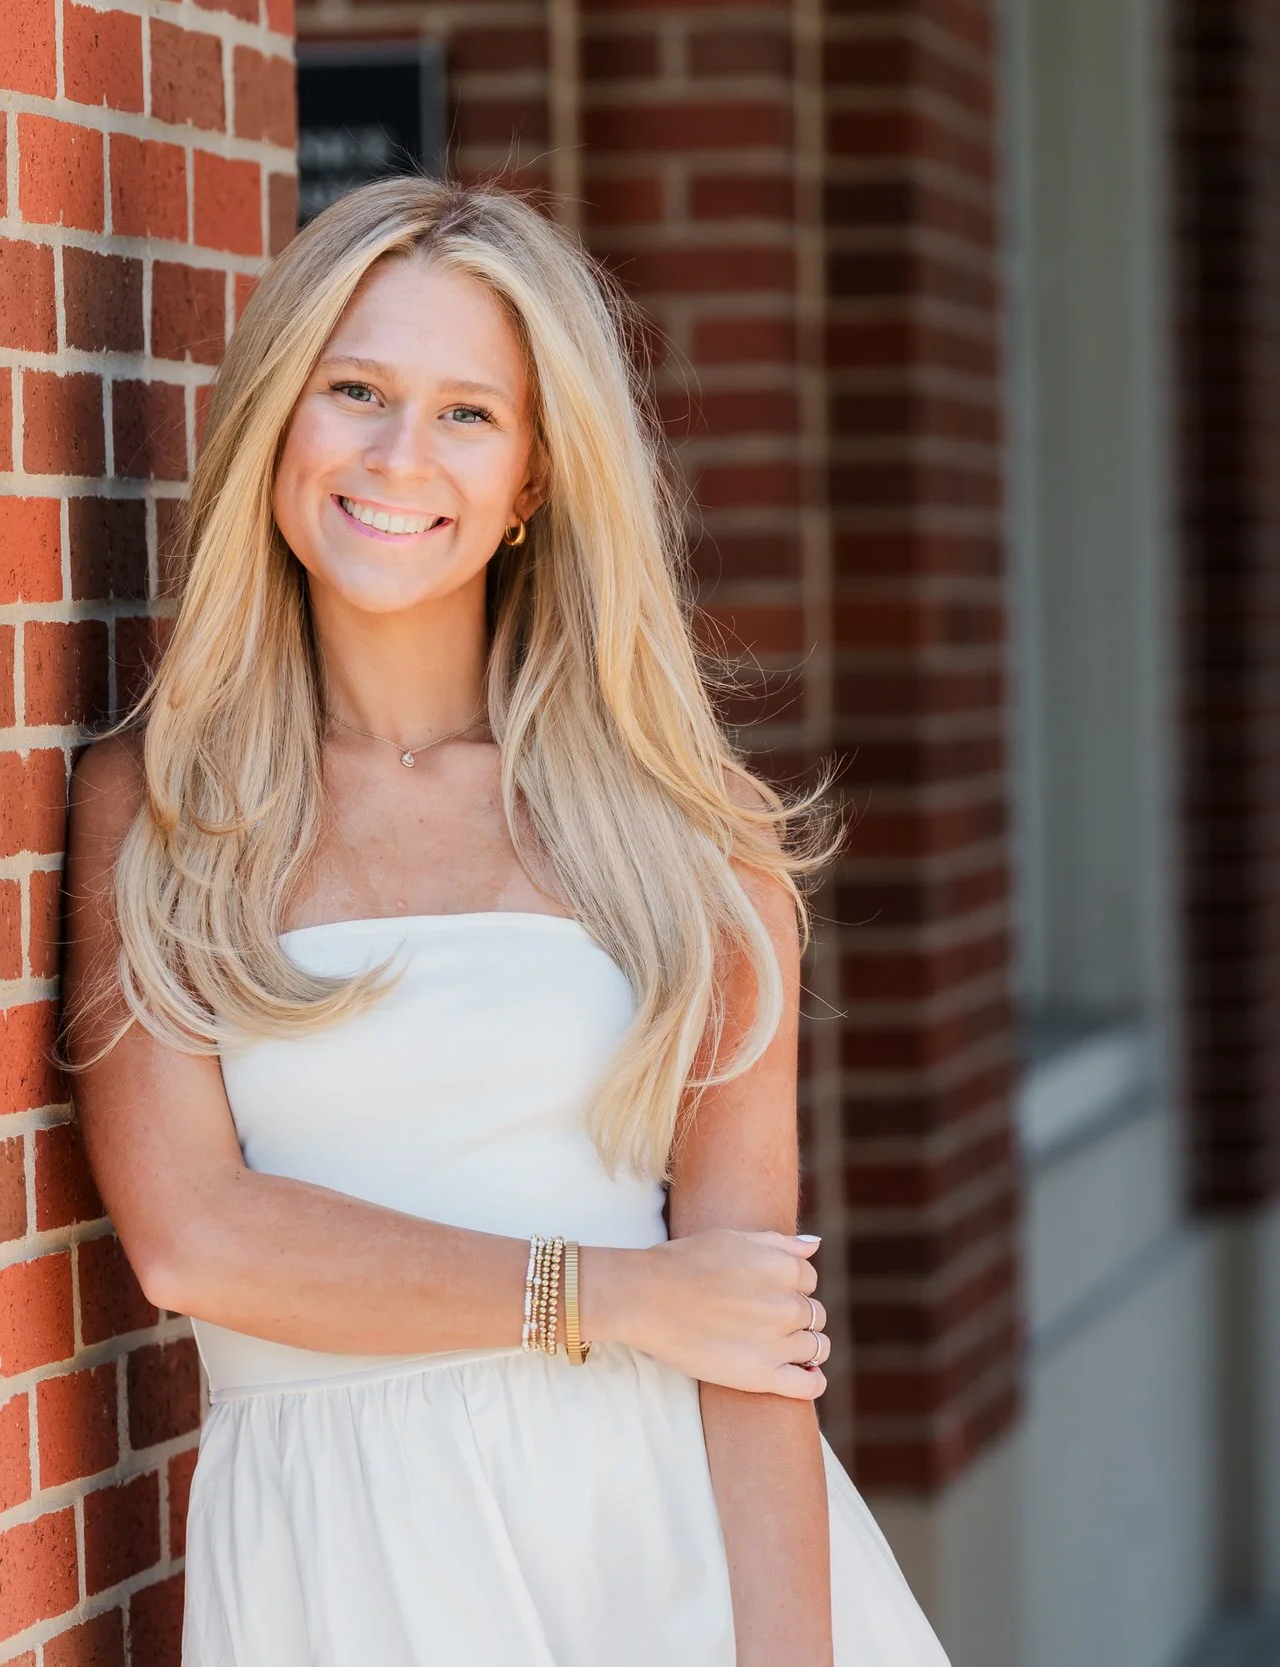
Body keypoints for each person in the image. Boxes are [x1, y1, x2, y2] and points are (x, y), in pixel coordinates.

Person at [62, 176, 951, 1667]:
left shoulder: (684, 838)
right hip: (335, 1569)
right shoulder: (159, 808)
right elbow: (194, 1241)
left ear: (535, 478)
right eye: (357, 390)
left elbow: (749, 1340)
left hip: (649, 1558)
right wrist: (609, 1293)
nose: (401, 456)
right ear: (281, 417)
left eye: (469, 413)